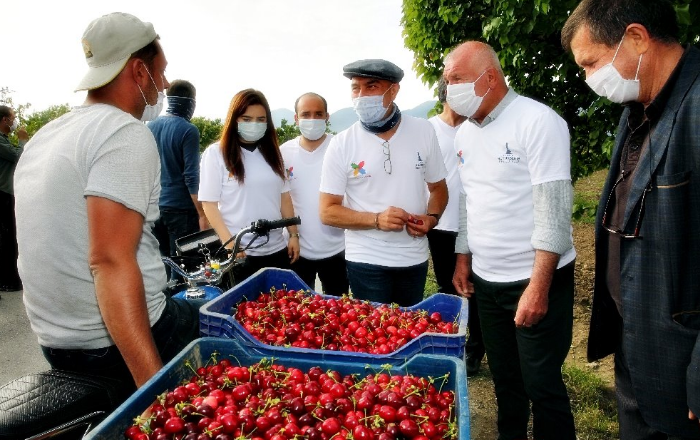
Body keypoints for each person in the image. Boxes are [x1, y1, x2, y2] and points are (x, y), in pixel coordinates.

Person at [13, 12, 201, 402]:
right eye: (161, 73)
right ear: (139, 71)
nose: (164, 85)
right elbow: (110, 262)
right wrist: (155, 394)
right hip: (115, 342)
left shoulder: (46, 136)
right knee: (222, 321)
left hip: (56, 341)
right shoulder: (123, 132)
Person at [562, 0, 700, 437]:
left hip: (682, 364)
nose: (589, 79)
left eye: (591, 63)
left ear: (637, 38)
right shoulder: (637, 110)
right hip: (637, 346)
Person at [447, 41, 577, 440]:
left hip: (534, 279)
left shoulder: (537, 122)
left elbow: (554, 212)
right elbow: (470, 200)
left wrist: (538, 288)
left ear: (489, 78)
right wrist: (463, 257)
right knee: (506, 381)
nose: (448, 89)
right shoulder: (464, 135)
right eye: (446, 81)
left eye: (456, 80)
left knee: (541, 383)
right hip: (488, 282)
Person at [319, 59, 448, 307]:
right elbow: (327, 211)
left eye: (372, 86)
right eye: (356, 88)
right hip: (366, 258)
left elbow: (439, 188)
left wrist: (431, 218)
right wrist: (377, 220)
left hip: (413, 256)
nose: (361, 95)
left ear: (394, 90)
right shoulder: (342, 143)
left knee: (407, 332)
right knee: (374, 336)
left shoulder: (423, 131)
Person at [198, 89, 299, 284]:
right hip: (241, 253)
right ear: (234, 119)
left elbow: (284, 198)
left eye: (261, 119)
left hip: (277, 249)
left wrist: (293, 234)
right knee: (244, 310)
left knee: (280, 308)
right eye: (247, 118)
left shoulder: (272, 154)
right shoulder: (216, 154)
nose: (254, 124)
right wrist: (230, 244)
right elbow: (209, 204)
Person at [426, 78, 484, 376]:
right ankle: (451, 343)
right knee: (448, 286)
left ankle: (476, 350)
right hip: (441, 225)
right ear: (444, 95)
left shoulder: (477, 129)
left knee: (475, 286)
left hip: (475, 222)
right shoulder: (429, 130)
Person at [280, 93, 348, 294]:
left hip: (338, 247)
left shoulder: (340, 148)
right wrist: (292, 234)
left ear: (327, 116)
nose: (312, 120)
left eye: (318, 114)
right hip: (296, 248)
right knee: (298, 309)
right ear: (296, 118)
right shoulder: (284, 153)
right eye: (306, 114)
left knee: (339, 309)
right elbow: (282, 198)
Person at [148, 79, 208, 259]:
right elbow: (191, 175)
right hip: (181, 209)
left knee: (165, 260)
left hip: (156, 207)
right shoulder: (188, 130)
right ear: (190, 101)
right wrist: (202, 214)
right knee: (185, 263)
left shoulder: (151, 125)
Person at [0, 106, 28, 295]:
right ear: (4, 120)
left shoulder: (4, 140)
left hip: (8, 193)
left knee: (10, 237)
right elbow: (19, 155)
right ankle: (9, 280)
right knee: (7, 238)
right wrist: (23, 139)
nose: (15, 121)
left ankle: (11, 278)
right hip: (3, 193)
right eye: (13, 118)